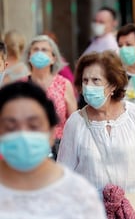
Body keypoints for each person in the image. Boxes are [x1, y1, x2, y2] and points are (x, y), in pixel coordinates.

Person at [57, 51, 135, 219]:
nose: (89, 86)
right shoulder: (75, 123)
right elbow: (64, 176)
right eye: (85, 81)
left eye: (96, 80)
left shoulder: (133, 114)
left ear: (113, 85)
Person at [0, 81, 106, 218]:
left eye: (33, 126)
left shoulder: (80, 195)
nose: (23, 135)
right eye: (10, 127)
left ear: (51, 132)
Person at [21, 35, 77, 159]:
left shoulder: (64, 84)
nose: (39, 53)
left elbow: (74, 121)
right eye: (35, 49)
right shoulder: (21, 85)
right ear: (29, 56)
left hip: (60, 147)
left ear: (53, 58)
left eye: (44, 50)